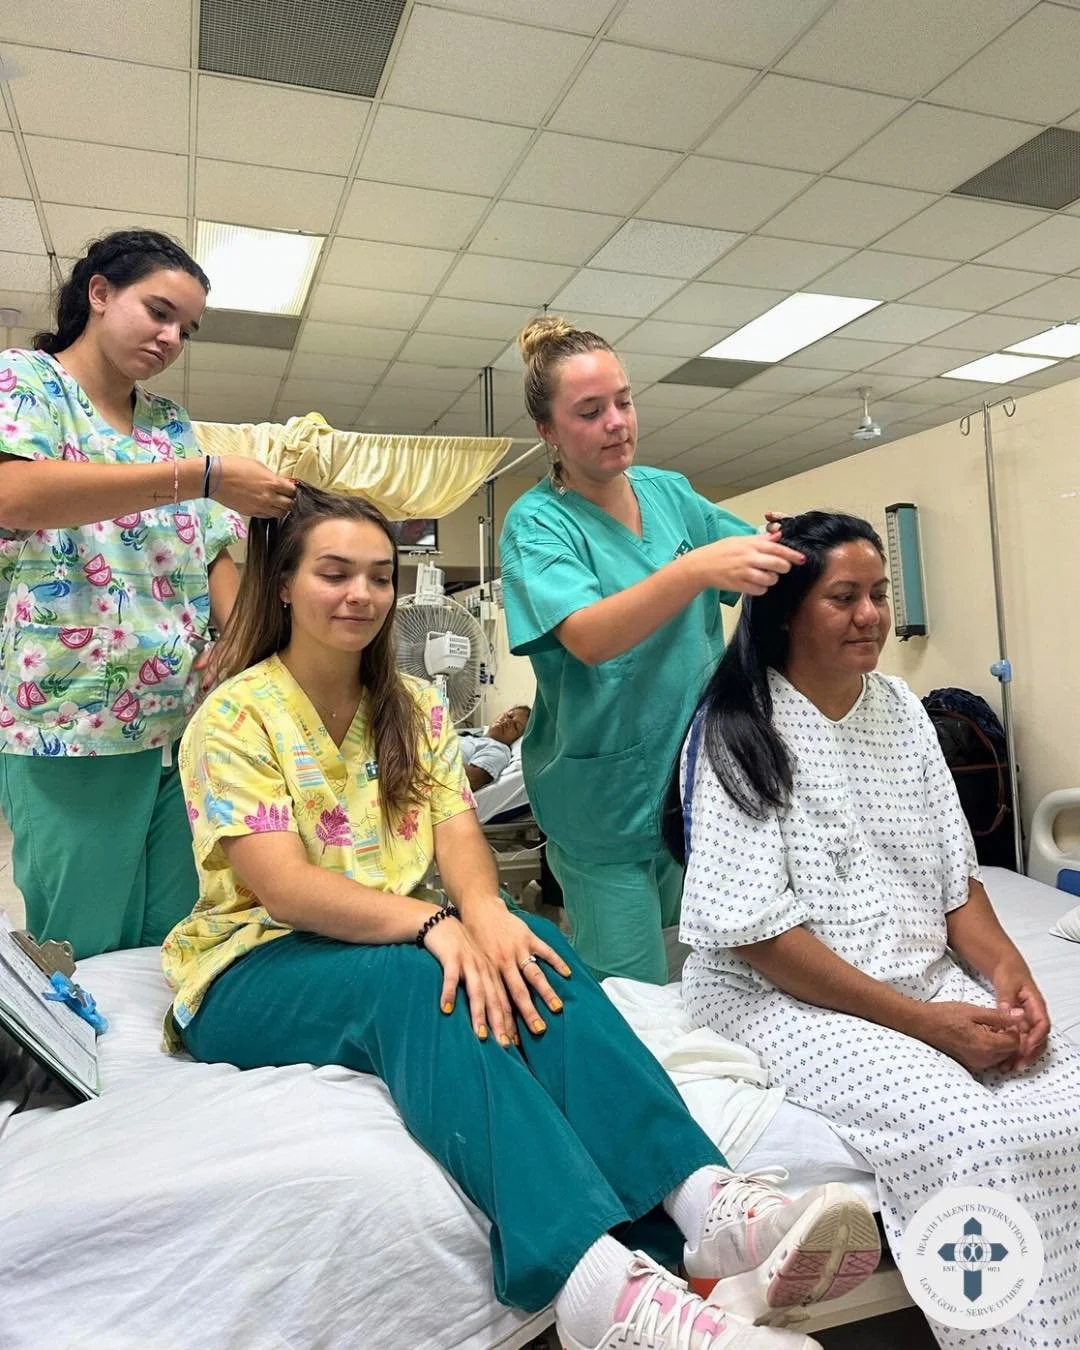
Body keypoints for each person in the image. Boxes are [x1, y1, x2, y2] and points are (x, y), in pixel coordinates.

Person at [163, 485, 879, 1350]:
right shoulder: (235, 716)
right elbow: (283, 889)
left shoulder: (412, 707)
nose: (360, 594)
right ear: (283, 585)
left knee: (534, 944)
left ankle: (700, 1204)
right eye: (334, 573)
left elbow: (459, 834)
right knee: (420, 977)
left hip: (389, 936)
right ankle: (589, 1285)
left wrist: (488, 911)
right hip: (252, 967)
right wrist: (435, 926)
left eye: (380, 577)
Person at [667, 510, 1080, 1350]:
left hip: (914, 976)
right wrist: (929, 1027)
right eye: (844, 597)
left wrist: (1011, 979)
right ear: (785, 613)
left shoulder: (899, 708)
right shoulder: (738, 730)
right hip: (776, 995)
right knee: (966, 1130)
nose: (871, 615)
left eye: (880, 594)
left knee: (1063, 1096)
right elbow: (759, 936)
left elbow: (953, 882)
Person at [0, 229, 296, 958]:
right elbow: (16, 495)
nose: (170, 338)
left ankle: (157, 1074)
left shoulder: (170, 426)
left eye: (185, 329)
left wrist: (236, 644)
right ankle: (67, 1075)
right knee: (83, 942)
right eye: (158, 312)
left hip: (183, 721)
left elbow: (213, 552)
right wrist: (204, 474)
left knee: (173, 933)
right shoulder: (28, 383)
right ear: (98, 293)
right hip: (73, 723)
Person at [498, 317, 803, 985]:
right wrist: (693, 570)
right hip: (601, 800)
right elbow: (587, 635)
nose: (617, 422)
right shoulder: (538, 523)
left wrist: (801, 546)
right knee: (635, 993)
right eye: (589, 411)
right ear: (548, 431)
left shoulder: (670, 494)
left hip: (695, 790)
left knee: (705, 978)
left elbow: (757, 557)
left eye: (624, 401)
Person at [459, 704, 530, 791]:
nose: (507, 721)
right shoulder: (472, 738)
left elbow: (474, 779)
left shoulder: (498, 750)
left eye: (516, 726)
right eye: (509, 716)